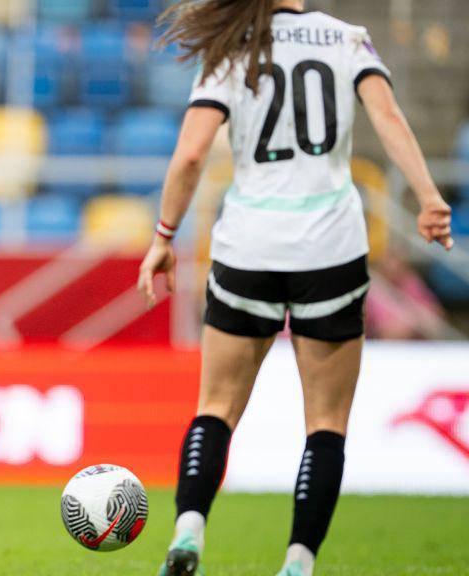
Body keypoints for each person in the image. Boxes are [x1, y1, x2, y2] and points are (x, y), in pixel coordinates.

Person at [136, 1, 454, 575]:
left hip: (247, 246)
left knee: (215, 407)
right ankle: (298, 562)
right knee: (326, 422)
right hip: (329, 248)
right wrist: (429, 197)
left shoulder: (231, 43)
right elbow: (388, 118)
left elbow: (189, 155)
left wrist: (164, 236)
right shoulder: (346, 38)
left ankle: (188, 533)